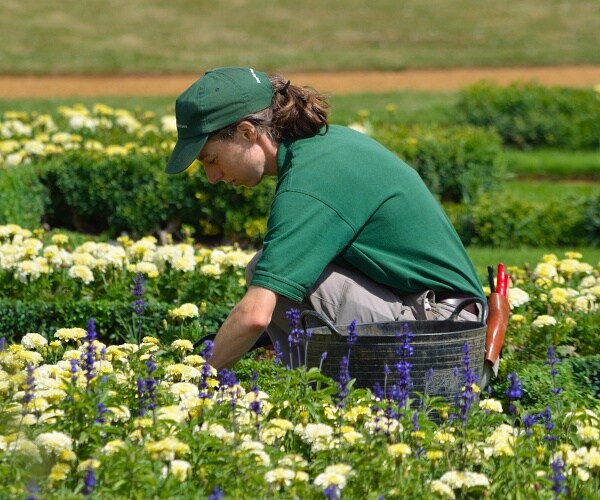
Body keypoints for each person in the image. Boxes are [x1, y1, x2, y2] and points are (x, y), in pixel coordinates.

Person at [166, 66, 486, 373]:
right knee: (275, 272)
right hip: (452, 324)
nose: (211, 176)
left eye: (211, 159)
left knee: (271, 278)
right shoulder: (328, 146)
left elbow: (255, 315)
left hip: (445, 343)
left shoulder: (310, 182)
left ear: (247, 132)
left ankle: (320, 399)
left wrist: (198, 383)